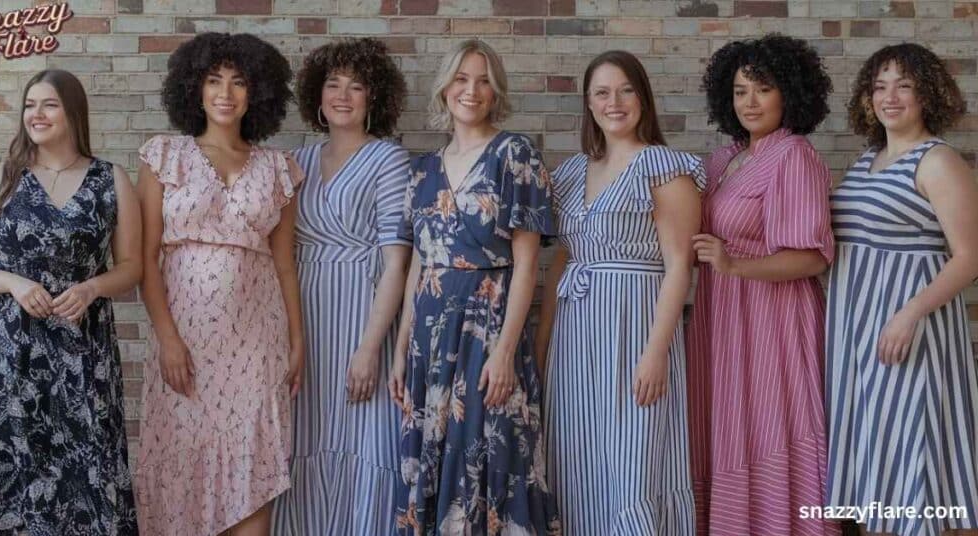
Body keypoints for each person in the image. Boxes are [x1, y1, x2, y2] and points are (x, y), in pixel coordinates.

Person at [0, 69, 141, 535]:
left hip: (83, 352)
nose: (36, 114)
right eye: (30, 104)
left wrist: (92, 287)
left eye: (49, 104)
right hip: (9, 352)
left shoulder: (109, 179)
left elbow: (133, 266)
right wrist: (13, 283)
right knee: (8, 472)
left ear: (74, 111)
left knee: (88, 473)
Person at [134, 33, 305, 536]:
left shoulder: (277, 168)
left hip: (257, 344)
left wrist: (297, 340)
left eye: (238, 82)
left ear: (257, 94)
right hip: (185, 342)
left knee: (253, 472)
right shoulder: (164, 156)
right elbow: (145, 259)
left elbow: (285, 265)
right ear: (195, 88)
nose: (225, 92)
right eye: (214, 80)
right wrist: (167, 337)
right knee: (181, 465)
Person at [388, 39, 560, 535]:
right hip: (429, 340)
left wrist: (506, 352)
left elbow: (528, 264)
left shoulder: (515, 154)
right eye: (462, 79)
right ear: (445, 88)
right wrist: (401, 349)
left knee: (494, 455)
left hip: (488, 333)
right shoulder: (421, 170)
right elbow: (419, 265)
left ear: (496, 90)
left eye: (484, 80)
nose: (472, 90)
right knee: (432, 456)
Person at [535, 50, 702, 535]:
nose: (615, 102)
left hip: (635, 329)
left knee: (634, 463)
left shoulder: (665, 168)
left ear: (643, 98)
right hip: (576, 337)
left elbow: (678, 268)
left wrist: (655, 353)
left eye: (626, 90)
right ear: (588, 104)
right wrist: (542, 347)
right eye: (602, 92)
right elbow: (562, 259)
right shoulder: (569, 174)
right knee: (578, 458)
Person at [685, 34, 840, 536]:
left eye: (762, 89)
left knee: (771, 424)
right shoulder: (723, 159)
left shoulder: (793, 154)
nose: (749, 102)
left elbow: (813, 257)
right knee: (730, 428)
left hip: (773, 318)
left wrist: (735, 265)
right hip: (721, 315)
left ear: (789, 93)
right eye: (739, 91)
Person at [827, 43, 978, 536]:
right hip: (858, 329)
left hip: (909, 329)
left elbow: (970, 257)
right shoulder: (866, 160)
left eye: (904, 85)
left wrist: (909, 313)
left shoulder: (937, 161)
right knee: (878, 447)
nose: (889, 97)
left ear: (927, 94)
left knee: (909, 441)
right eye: (879, 86)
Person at [271, 38, 411, 535]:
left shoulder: (389, 161)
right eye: (333, 84)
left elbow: (398, 262)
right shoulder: (295, 162)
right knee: (304, 439)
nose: (343, 95)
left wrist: (370, 348)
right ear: (317, 94)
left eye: (357, 86)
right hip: (306, 315)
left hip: (362, 314)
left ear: (375, 98)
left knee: (368, 440)